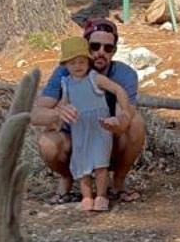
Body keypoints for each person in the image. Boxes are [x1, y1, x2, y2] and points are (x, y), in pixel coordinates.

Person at [31, 16, 146, 205]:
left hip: (107, 137)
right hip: (77, 138)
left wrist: (117, 123)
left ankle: (118, 183)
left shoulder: (124, 74)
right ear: (86, 46)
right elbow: (35, 113)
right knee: (47, 142)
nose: (101, 52)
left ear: (114, 51)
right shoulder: (65, 73)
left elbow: (126, 112)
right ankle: (67, 179)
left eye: (107, 48)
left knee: (136, 124)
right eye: (95, 46)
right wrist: (57, 113)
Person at [54, 35, 130, 212]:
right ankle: (87, 197)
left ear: (88, 61)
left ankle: (102, 195)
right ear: (65, 65)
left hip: (99, 127)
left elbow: (117, 89)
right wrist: (59, 117)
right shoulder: (66, 83)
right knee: (82, 164)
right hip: (79, 128)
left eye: (81, 62)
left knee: (100, 163)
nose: (77, 66)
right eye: (72, 63)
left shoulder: (94, 78)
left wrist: (123, 112)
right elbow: (63, 104)